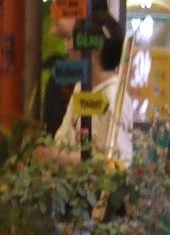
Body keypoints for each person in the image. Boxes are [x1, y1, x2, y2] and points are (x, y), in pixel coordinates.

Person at [45, 11, 131, 164]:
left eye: (75, 39)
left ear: (96, 49)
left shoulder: (114, 96)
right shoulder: (81, 87)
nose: (69, 47)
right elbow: (62, 140)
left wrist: (66, 160)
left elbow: (118, 163)